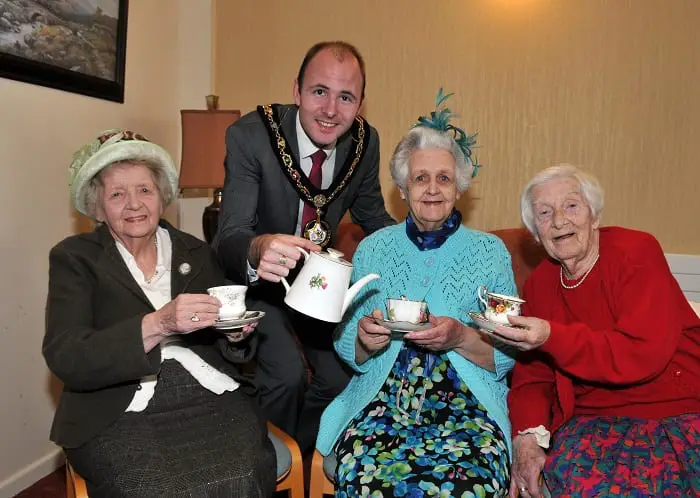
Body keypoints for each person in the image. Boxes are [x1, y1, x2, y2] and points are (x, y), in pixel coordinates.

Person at [43, 129, 276, 497]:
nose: (134, 204)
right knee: (151, 488)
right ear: (98, 207)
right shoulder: (75, 258)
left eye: (144, 190)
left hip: (209, 393)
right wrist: (158, 323)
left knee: (241, 475)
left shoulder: (198, 252)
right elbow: (66, 355)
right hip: (116, 405)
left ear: (162, 196)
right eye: (117, 194)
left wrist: (234, 336)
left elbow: (232, 350)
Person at [315, 92, 517, 497]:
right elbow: (346, 341)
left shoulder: (490, 252)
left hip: (468, 408)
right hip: (383, 400)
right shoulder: (373, 248)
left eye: (443, 178)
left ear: (459, 187)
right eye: (420, 178)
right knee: (369, 481)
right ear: (403, 189)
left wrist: (459, 337)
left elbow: (507, 350)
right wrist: (364, 341)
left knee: (471, 485)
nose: (432, 189)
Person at [213, 40, 395, 452]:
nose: (331, 110)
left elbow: (375, 219)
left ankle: (304, 461)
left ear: (360, 103)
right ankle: (267, 470)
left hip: (315, 283)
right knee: (286, 376)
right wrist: (260, 248)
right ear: (297, 91)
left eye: (345, 97)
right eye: (319, 92)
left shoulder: (364, 144)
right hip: (259, 279)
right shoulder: (252, 135)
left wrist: (423, 245)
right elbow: (229, 237)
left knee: (342, 376)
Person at [492, 165, 700, 497]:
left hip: (674, 410)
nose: (560, 220)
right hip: (593, 421)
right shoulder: (540, 285)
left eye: (571, 206)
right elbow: (533, 378)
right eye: (545, 213)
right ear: (536, 232)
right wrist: (527, 438)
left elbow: (641, 354)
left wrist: (550, 336)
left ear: (595, 215)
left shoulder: (636, 252)